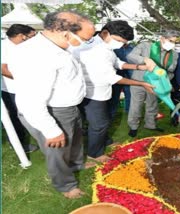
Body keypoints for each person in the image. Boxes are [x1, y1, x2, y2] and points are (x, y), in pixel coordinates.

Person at [8, 11, 96, 199]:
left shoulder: (56, 46)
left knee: (75, 139)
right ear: (66, 34)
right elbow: (30, 100)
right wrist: (51, 130)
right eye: (85, 39)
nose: (85, 44)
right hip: (49, 111)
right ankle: (66, 185)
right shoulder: (37, 55)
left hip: (67, 107)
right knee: (58, 149)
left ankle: (77, 163)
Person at [78, 20, 155, 163]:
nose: (120, 45)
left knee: (105, 120)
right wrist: (142, 83)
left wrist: (139, 67)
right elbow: (112, 78)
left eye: (123, 42)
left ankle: (105, 141)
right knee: (98, 124)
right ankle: (95, 154)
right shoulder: (94, 50)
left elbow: (117, 63)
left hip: (102, 90)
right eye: (118, 40)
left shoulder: (105, 45)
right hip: (93, 93)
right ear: (105, 33)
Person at [127, 30, 180, 137]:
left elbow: (171, 71)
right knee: (136, 105)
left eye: (175, 42)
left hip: (156, 84)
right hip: (139, 81)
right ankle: (133, 126)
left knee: (153, 105)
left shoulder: (174, 54)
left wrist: (164, 80)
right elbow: (130, 57)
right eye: (170, 41)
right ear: (162, 38)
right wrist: (145, 59)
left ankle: (151, 124)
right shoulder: (145, 46)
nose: (172, 44)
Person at [1, 24, 38, 153]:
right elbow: (3, 70)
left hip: (21, 87)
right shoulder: (5, 47)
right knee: (16, 117)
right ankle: (20, 144)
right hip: (11, 89)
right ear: (21, 36)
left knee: (26, 114)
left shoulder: (18, 46)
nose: (28, 40)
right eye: (28, 37)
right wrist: (25, 79)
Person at [108, 43, 135, 120]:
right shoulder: (113, 48)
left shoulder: (133, 48)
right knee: (114, 97)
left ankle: (129, 114)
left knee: (129, 95)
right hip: (116, 76)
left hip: (129, 76)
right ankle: (111, 115)